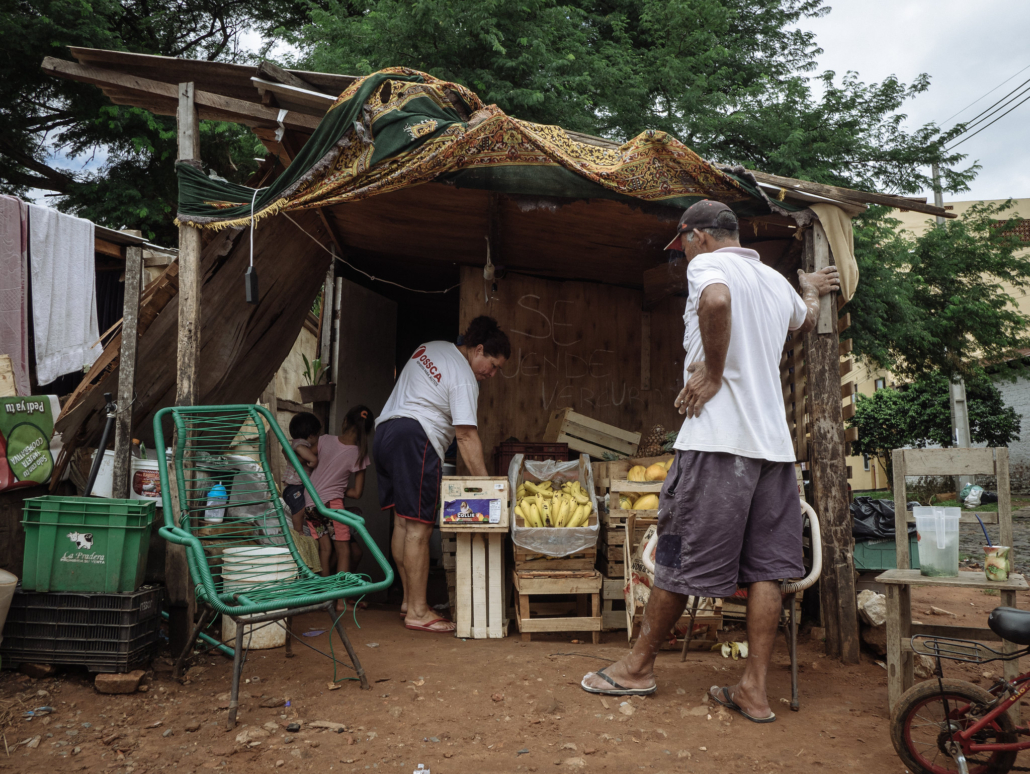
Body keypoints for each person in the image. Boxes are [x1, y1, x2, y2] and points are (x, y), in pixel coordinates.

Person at [581, 200, 839, 722]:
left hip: (719, 445)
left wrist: (716, 373)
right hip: (775, 453)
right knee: (769, 571)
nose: (683, 258)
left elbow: (716, 303)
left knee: (677, 556)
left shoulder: (708, 267)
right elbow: (806, 320)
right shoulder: (773, 282)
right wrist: (809, 285)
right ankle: (755, 690)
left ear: (698, 236)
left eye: (682, 247)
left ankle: (637, 669)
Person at [374, 316, 510, 633]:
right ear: (478, 349)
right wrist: (490, 488)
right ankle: (419, 611)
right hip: (415, 437)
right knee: (420, 528)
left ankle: (410, 601)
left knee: (403, 522)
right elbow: (465, 436)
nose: (491, 374)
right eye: (493, 365)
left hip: (385, 433)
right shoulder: (464, 376)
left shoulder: (431, 348)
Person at [304, 405, 375, 608]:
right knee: (344, 551)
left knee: (325, 550)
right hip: (332, 506)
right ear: (367, 430)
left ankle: (325, 597)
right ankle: (341, 600)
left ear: (345, 421)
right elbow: (357, 493)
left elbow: (306, 458)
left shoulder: (324, 440)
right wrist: (338, 489)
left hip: (311, 503)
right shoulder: (359, 454)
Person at [282, 412, 321, 532]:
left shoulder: (294, 445)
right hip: (295, 487)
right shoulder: (300, 444)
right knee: (299, 510)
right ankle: (298, 532)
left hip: (296, 487)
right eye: (317, 436)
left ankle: (301, 532)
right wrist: (313, 459)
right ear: (311, 435)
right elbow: (304, 452)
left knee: (303, 508)